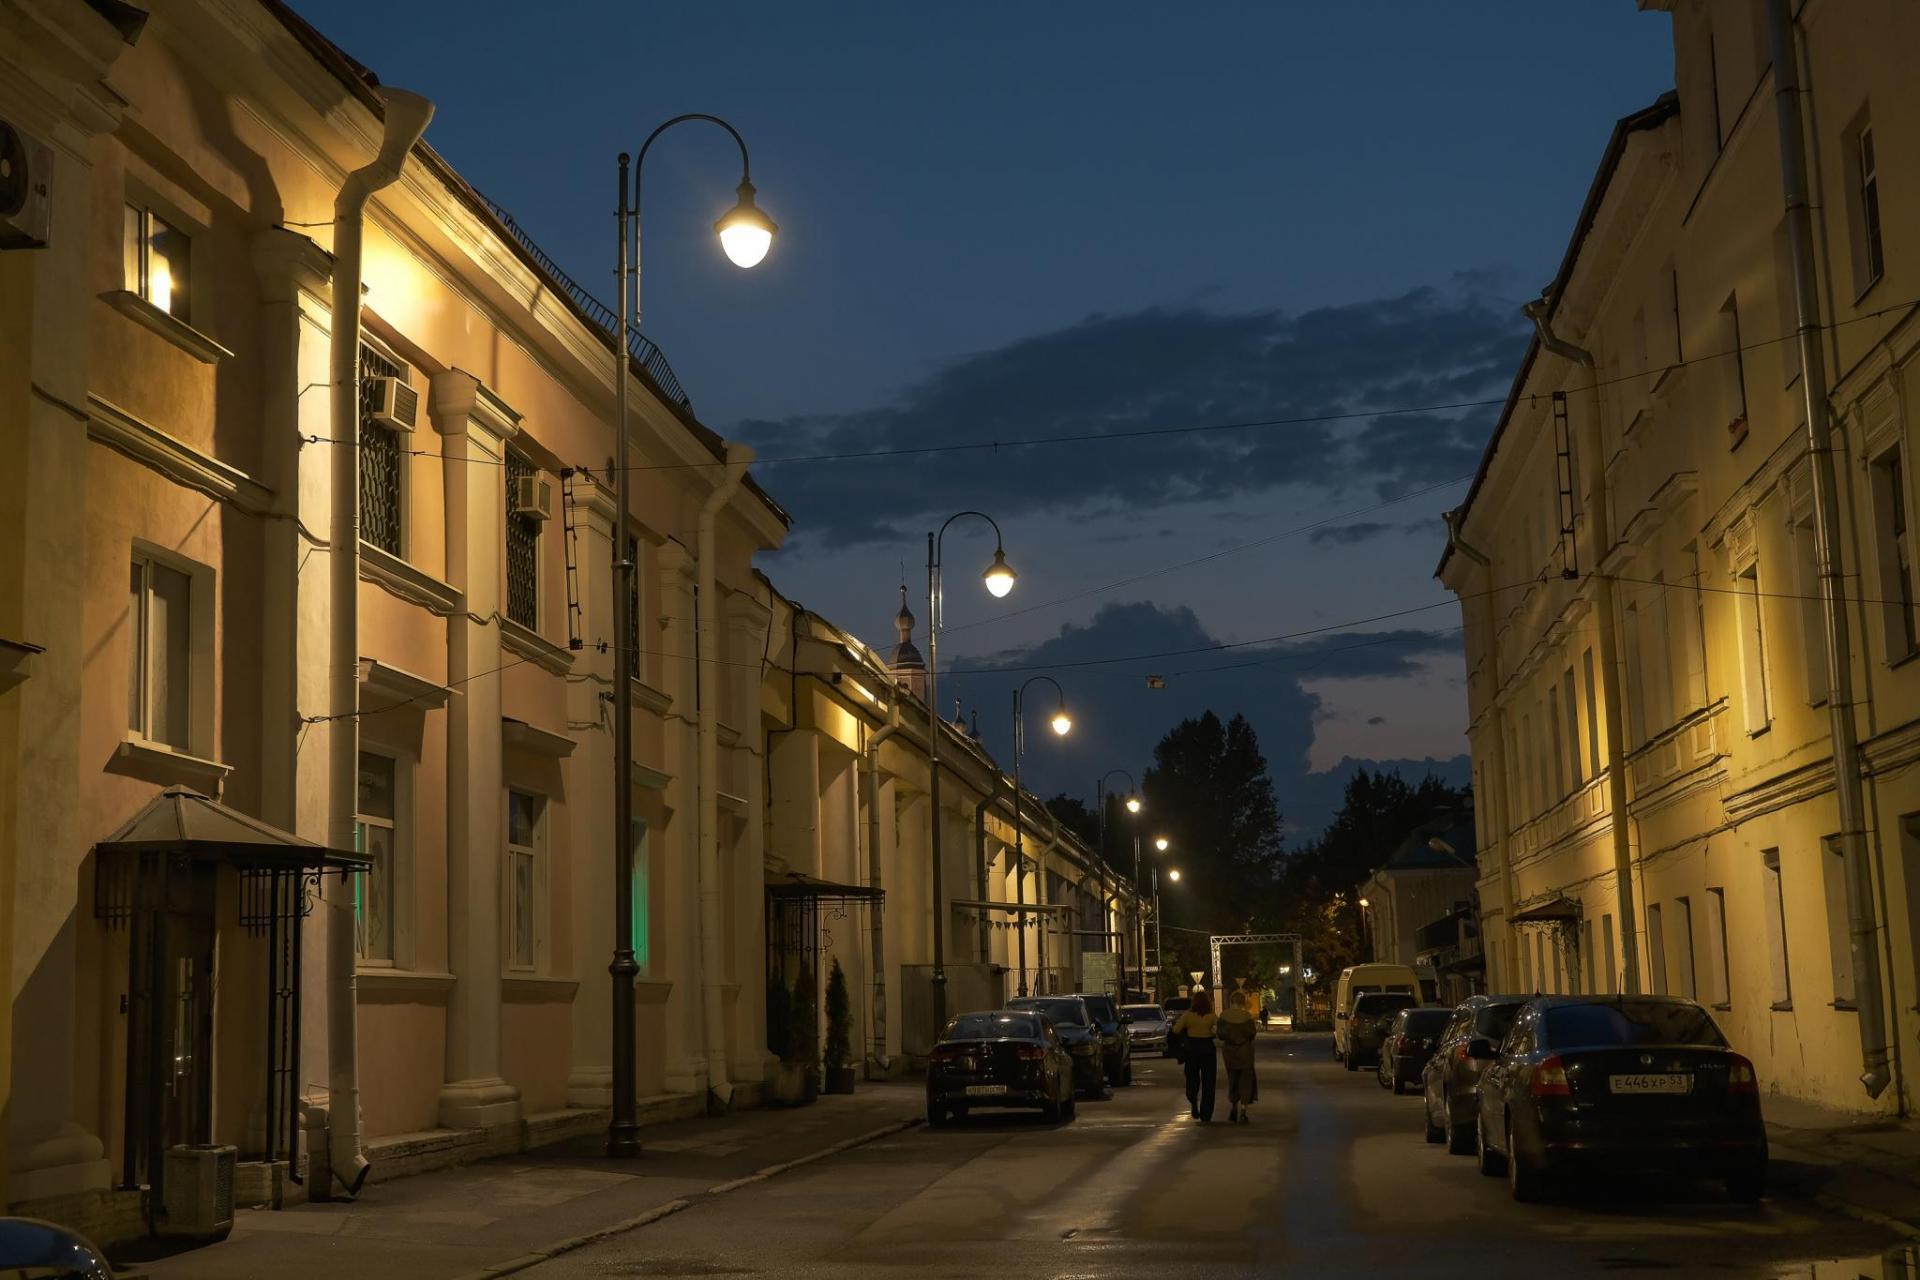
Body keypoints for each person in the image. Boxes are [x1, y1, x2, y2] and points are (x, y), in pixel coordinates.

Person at [1171, 989, 1219, 1121]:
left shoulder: (1188, 1016)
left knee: (1192, 1078)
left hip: (1192, 1049)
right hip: (1208, 1049)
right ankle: (1206, 1113)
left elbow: (1176, 1030)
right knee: (1209, 1082)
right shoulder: (1211, 1016)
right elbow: (1219, 1030)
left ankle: (1193, 1102)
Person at [1217, 989, 1260, 1123]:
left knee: (1233, 1079)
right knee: (1246, 1080)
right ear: (1242, 1002)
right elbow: (1252, 1034)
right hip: (1245, 1051)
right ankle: (1243, 1110)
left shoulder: (1223, 1016)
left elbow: (1221, 1034)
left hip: (1229, 1052)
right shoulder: (1247, 1016)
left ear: (1231, 1001)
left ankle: (1233, 1105)